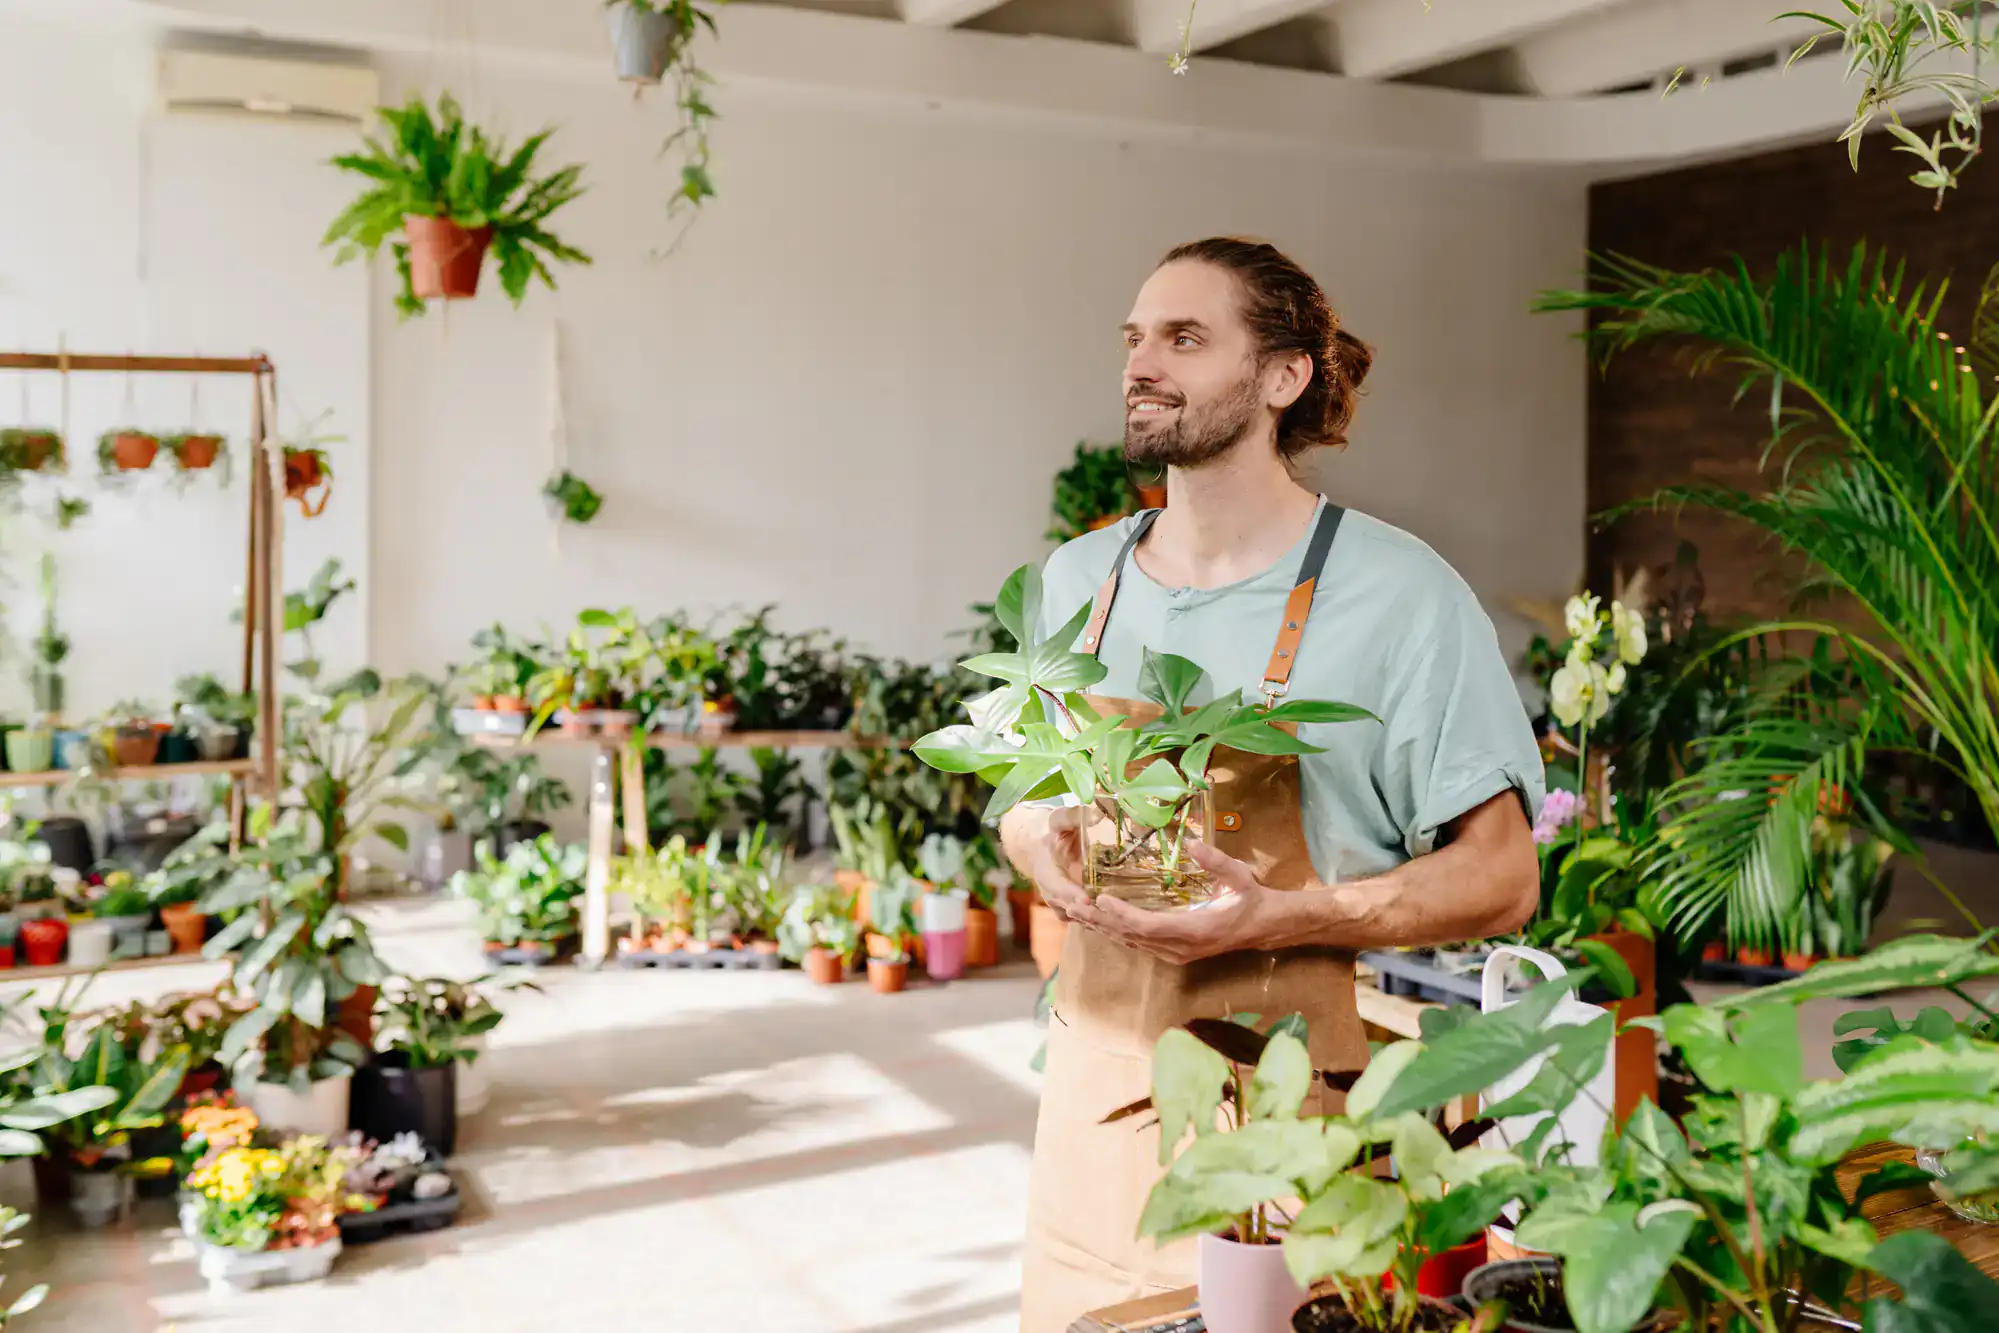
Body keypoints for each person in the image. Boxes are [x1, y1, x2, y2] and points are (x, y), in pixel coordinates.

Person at [1006, 237, 1544, 1331]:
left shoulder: (1399, 594)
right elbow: (1027, 796)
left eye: (1185, 338)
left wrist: (1286, 913)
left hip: (1302, 1091)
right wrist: (1040, 857)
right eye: (1135, 338)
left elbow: (1503, 877)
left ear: (1281, 377)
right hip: (1101, 1079)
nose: (1140, 364)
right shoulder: (1080, 581)